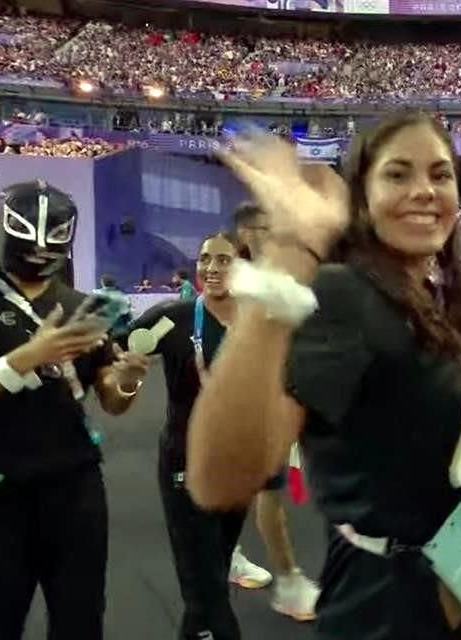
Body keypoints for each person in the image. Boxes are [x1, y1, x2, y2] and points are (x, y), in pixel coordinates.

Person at [184, 113, 461, 639]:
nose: (425, 190)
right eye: (398, 174)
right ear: (362, 197)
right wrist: (294, 248)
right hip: (384, 599)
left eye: (440, 174)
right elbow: (217, 480)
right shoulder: (343, 294)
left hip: (456, 563)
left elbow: (403, 441)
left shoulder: (431, 299)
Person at [0, 180, 150, 640]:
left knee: (79, 624)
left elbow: (112, 401)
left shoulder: (80, 306)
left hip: (73, 492)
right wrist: (24, 359)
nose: (40, 246)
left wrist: (128, 380)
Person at [124, 232, 267, 640]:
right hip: (185, 462)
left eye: (223, 260)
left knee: (212, 574)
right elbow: (114, 354)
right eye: (205, 259)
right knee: (206, 588)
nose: (211, 268)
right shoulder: (175, 318)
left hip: (238, 464)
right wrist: (126, 376)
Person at [231, 200, 320, 620]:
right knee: (267, 490)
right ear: (247, 233)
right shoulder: (239, 280)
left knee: (261, 487)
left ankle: (231, 553)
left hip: (282, 396)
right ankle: (288, 583)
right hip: (248, 402)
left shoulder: (276, 276)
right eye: (265, 227)